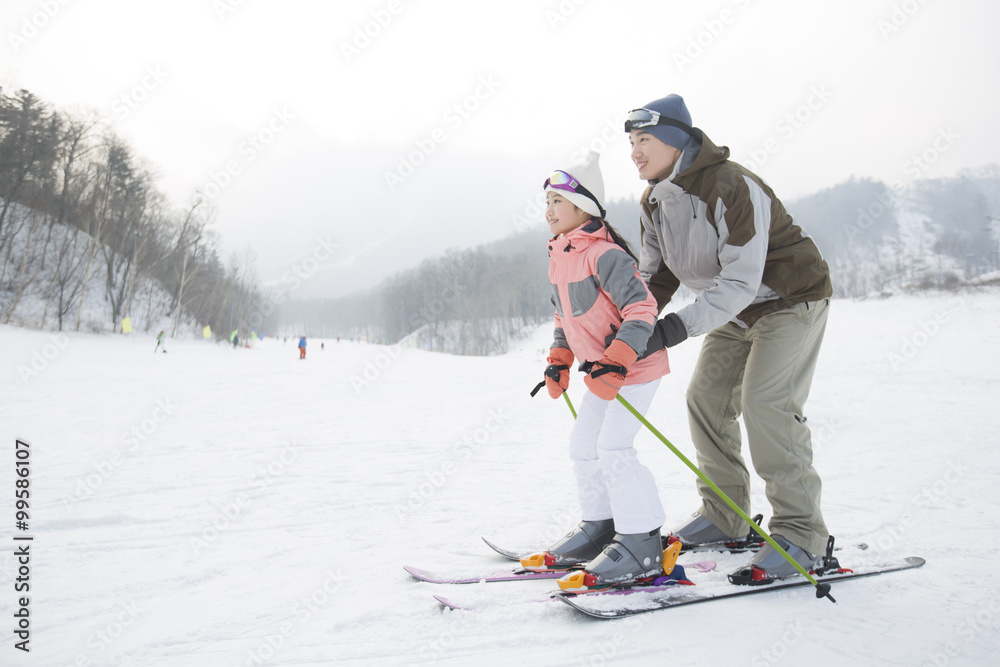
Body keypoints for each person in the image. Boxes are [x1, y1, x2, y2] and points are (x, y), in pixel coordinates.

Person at [625, 94, 833, 580]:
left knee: (767, 403)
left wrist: (671, 329)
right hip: (734, 309)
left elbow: (742, 280)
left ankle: (804, 535)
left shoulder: (731, 186)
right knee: (706, 399)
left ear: (675, 141)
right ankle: (726, 516)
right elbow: (656, 277)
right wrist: (631, 327)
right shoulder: (654, 200)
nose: (635, 152)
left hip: (787, 298)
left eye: (645, 140)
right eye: (631, 142)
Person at [534, 152, 671, 586]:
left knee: (614, 448)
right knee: (583, 446)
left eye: (558, 201)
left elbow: (642, 308)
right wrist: (560, 360)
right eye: (548, 202)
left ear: (584, 208)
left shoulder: (606, 255)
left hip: (636, 367)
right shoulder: (560, 255)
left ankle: (643, 542)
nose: (549, 210)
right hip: (602, 373)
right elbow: (565, 318)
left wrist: (618, 359)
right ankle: (601, 527)